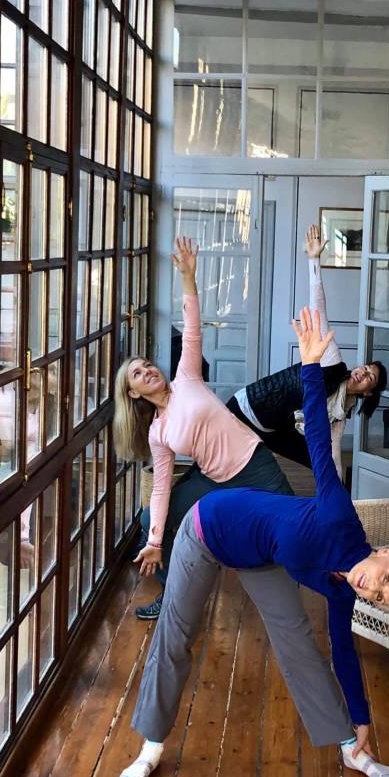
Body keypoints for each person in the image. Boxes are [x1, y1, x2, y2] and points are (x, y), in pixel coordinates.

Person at [118, 307, 389, 777]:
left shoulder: (346, 591)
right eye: (384, 579)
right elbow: (320, 442)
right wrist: (310, 367)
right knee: (176, 631)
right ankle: (151, 746)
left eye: (379, 598)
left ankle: (350, 748)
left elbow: (344, 655)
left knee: (298, 641)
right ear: (385, 552)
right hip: (208, 528)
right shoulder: (340, 517)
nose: (371, 588)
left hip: (258, 555)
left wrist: (361, 719)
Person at [114, 236, 293, 620]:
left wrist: (188, 277)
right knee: (149, 520)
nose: (148, 371)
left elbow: (193, 327)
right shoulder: (157, 432)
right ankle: (174, 597)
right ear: (133, 393)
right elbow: (161, 487)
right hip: (213, 479)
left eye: (147, 365)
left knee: (295, 528)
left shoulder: (187, 378)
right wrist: (155, 541)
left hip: (253, 463)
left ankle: (343, 573)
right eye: (138, 374)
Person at [227, 224, 387, 477]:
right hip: (248, 408)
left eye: (370, 377)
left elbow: (333, 451)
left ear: (369, 393)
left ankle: (336, 497)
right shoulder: (332, 363)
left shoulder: (340, 412)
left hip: (272, 428)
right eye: (365, 367)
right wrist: (314, 261)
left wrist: (338, 483)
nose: (363, 373)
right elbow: (318, 311)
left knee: (321, 462)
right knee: (221, 468)